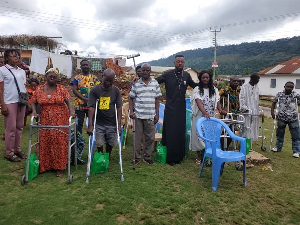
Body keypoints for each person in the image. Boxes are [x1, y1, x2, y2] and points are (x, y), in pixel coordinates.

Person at [31, 68, 75, 177]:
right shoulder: (40, 89)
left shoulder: (61, 89)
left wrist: (71, 112)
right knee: (46, 141)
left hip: (60, 119)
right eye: (50, 76)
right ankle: (46, 165)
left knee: (59, 142)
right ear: (46, 77)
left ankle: (59, 167)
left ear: (57, 79)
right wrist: (34, 112)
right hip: (45, 119)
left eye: (55, 77)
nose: (52, 78)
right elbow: (33, 101)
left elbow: (68, 101)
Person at [156, 55, 197, 165]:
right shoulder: (168, 74)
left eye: (182, 62)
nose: (180, 63)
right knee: (170, 132)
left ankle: (179, 156)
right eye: (178, 61)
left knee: (179, 132)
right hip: (170, 108)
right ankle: (169, 157)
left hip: (181, 108)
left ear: (184, 63)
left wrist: (207, 84)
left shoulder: (187, 75)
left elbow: (195, 86)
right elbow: (155, 82)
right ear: (174, 62)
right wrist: (142, 80)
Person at [190, 70, 226, 164]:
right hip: (199, 116)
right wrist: (204, 112)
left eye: (207, 77)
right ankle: (199, 156)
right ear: (200, 79)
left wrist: (220, 110)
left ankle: (208, 155)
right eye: (203, 78)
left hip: (210, 117)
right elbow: (198, 101)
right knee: (198, 135)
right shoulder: (197, 89)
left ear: (209, 78)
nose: (205, 79)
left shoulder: (214, 89)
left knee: (209, 135)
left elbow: (217, 100)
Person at [129, 63, 162, 165]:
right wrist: (131, 111)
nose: (145, 72)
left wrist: (157, 114)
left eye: (147, 70)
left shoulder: (155, 83)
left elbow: (157, 99)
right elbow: (130, 98)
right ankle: (137, 158)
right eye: (143, 70)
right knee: (137, 138)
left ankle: (147, 157)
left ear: (150, 71)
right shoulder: (136, 84)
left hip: (151, 115)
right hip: (138, 115)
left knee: (150, 138)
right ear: (141, 71)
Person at [87, 69, 122, 158]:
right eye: (106, 81)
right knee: (99, 142)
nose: (108, 83)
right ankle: (101, 156)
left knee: (111, 142)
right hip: (99, 122)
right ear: (102, 76)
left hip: (112, 122)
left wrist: (118, 125)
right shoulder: (95, 90)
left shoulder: (116, 91)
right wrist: (90, 125)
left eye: (111, 81)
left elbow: (119, 108)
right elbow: (91, 107)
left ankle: (107, 156)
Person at [71, 59, 100, 164]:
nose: (85, 66)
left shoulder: (95, 78)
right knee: (78, 127)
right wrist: (84, 99)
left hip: (92, 106)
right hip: (80, 106)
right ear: (80, 66)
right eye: (83, 65)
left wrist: (91, 100)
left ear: (90, 66)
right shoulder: (77, 78)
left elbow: (98, 89)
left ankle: (93, 150)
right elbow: (74, 90)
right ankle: (77, 152)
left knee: (92, 126)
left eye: (87, 65)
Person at [0, 49, 27, 162]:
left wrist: (28, 102)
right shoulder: (2, 70)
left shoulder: (22, 71)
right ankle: (9, 152)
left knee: (19, 127)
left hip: (21, 102)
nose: (16, 58)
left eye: (17, 56)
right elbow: (0, 89)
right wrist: (3, 105)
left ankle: (17, 149)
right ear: (7, 58)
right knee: (10, 128)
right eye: (12, 56)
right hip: (9, 102)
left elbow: (24, 87)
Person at [271, 81, 300, 158]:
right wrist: (272, 113)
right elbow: (274, 103)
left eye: (291, 87)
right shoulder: (279, 94)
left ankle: (296, 151)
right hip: (281, 117)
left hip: (293, 118)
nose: (289, 88)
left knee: (296, 135)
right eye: (288, 87)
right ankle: (277, 147)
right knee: (280, 133)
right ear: (284, 86)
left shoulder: (296, 95)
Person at [239, 73, 261, 142]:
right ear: (253, 79)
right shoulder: (244, 86)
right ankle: (244, 142)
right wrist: (245, 108)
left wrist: (259, 110)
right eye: (258, 79)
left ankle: (250, 143)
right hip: (247, 111)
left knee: (253, 128)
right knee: (246, 127)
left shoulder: (256, 87)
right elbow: (241, 98)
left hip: (255, 112)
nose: (258, 81)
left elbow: (256, 100)